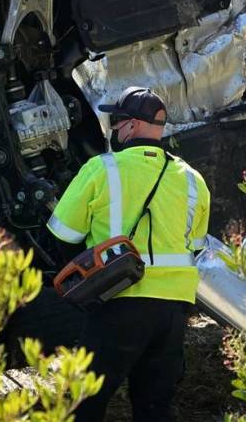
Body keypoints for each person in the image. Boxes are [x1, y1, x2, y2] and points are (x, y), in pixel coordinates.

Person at [46, 86, 211, 422]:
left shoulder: (102, 168)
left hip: (119, 301)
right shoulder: (193, 179)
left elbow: (62, 234)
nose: (114, 129)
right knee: (154, 408)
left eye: (116, 122)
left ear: (131, 125)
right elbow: (195, 246)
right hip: (174, 312)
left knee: (81, 404)